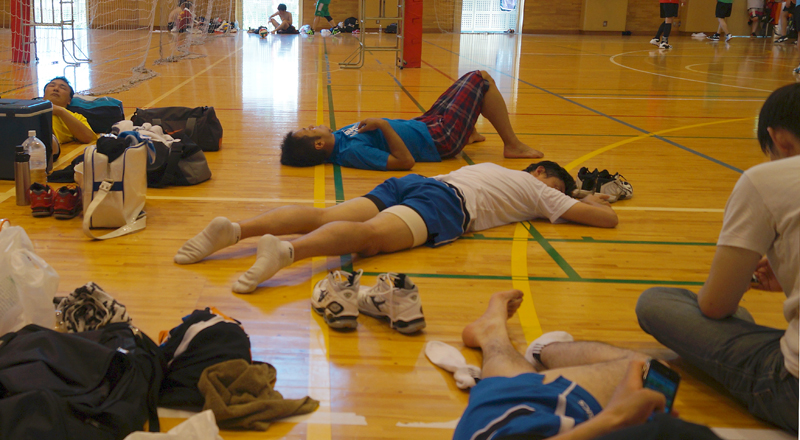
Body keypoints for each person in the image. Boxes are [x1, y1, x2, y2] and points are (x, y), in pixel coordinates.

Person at [174, 161, 619, 294]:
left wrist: (575, 193)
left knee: (328, 214)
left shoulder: (491, 167)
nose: (557, 197)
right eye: (556, 186)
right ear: (541, 173)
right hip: (445, 205)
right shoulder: (541, 190)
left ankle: (235, 230)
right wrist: (581, 197)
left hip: (418, 183)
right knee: (371, 239)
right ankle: (288, 253)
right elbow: (607, 218)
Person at [636, 82, 799, 434]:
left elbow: (715, 306)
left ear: (779, 138)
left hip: (793, 389)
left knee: (656, 303)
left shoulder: (766, 180)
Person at [451, 290, 721, 440]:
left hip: (506, 427)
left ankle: (505, 339)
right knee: (648, 372)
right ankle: (522, 344)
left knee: (646, 368)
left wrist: (613, 419)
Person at [280, 70, 543, 170]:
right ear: (318, 144)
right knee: (480, 79)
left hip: (426, 124)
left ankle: (469, 132)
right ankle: (512, 145)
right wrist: (383, 124)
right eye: (309, 130)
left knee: (467, 81)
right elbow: (404, 162)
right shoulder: (352, 152)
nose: (312, 125)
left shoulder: (338, 139)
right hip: (440, 138)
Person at [42, 76, 96, 160]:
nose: (56, 89)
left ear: (69, 100)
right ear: (43, 95)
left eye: (62, 88)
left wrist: (60, 111)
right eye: (52, 85)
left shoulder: (75, 117)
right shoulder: (30, 107)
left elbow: (87, 137)